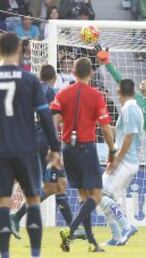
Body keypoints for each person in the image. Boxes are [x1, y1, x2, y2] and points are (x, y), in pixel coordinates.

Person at [0, 32, 61, 258]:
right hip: (26, 149)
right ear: (20, 50)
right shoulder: (30, 80)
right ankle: (35, 254)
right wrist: (55, 148)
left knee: (4, 202)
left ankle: (4, 254)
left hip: (1, 150)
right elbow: (46, 117)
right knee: (33, 199)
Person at [51, 57, 116, 252]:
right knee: (96, 196)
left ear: (73, 71)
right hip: (86, 147)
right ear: (91, 73)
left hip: (67, 148)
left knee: (83, 196)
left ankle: (92, 243)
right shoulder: (96, 96)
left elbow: (54, 120)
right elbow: (105, 128)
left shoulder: (63, 93)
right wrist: (112, 150)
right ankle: (71, 230)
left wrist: (54, 145)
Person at [10, 65, 77, 240]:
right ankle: (73, 229)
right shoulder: (50, 93)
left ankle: (73, 228)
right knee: (56, 185)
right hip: (46, 143)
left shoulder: (28, 91)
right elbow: (53, 118)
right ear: (55, 78)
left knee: (56, 186)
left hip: (31, 141)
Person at [99, 79, 144, 246]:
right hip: (126, 159)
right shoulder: (131, 108)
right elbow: (122, 133)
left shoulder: (130, 109)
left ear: (120, 91)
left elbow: (129, 136)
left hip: (125, 161)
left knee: (100, 194)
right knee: (105, 197)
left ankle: (126, 227)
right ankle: (116, 236)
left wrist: (117, 159)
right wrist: (102, 125)